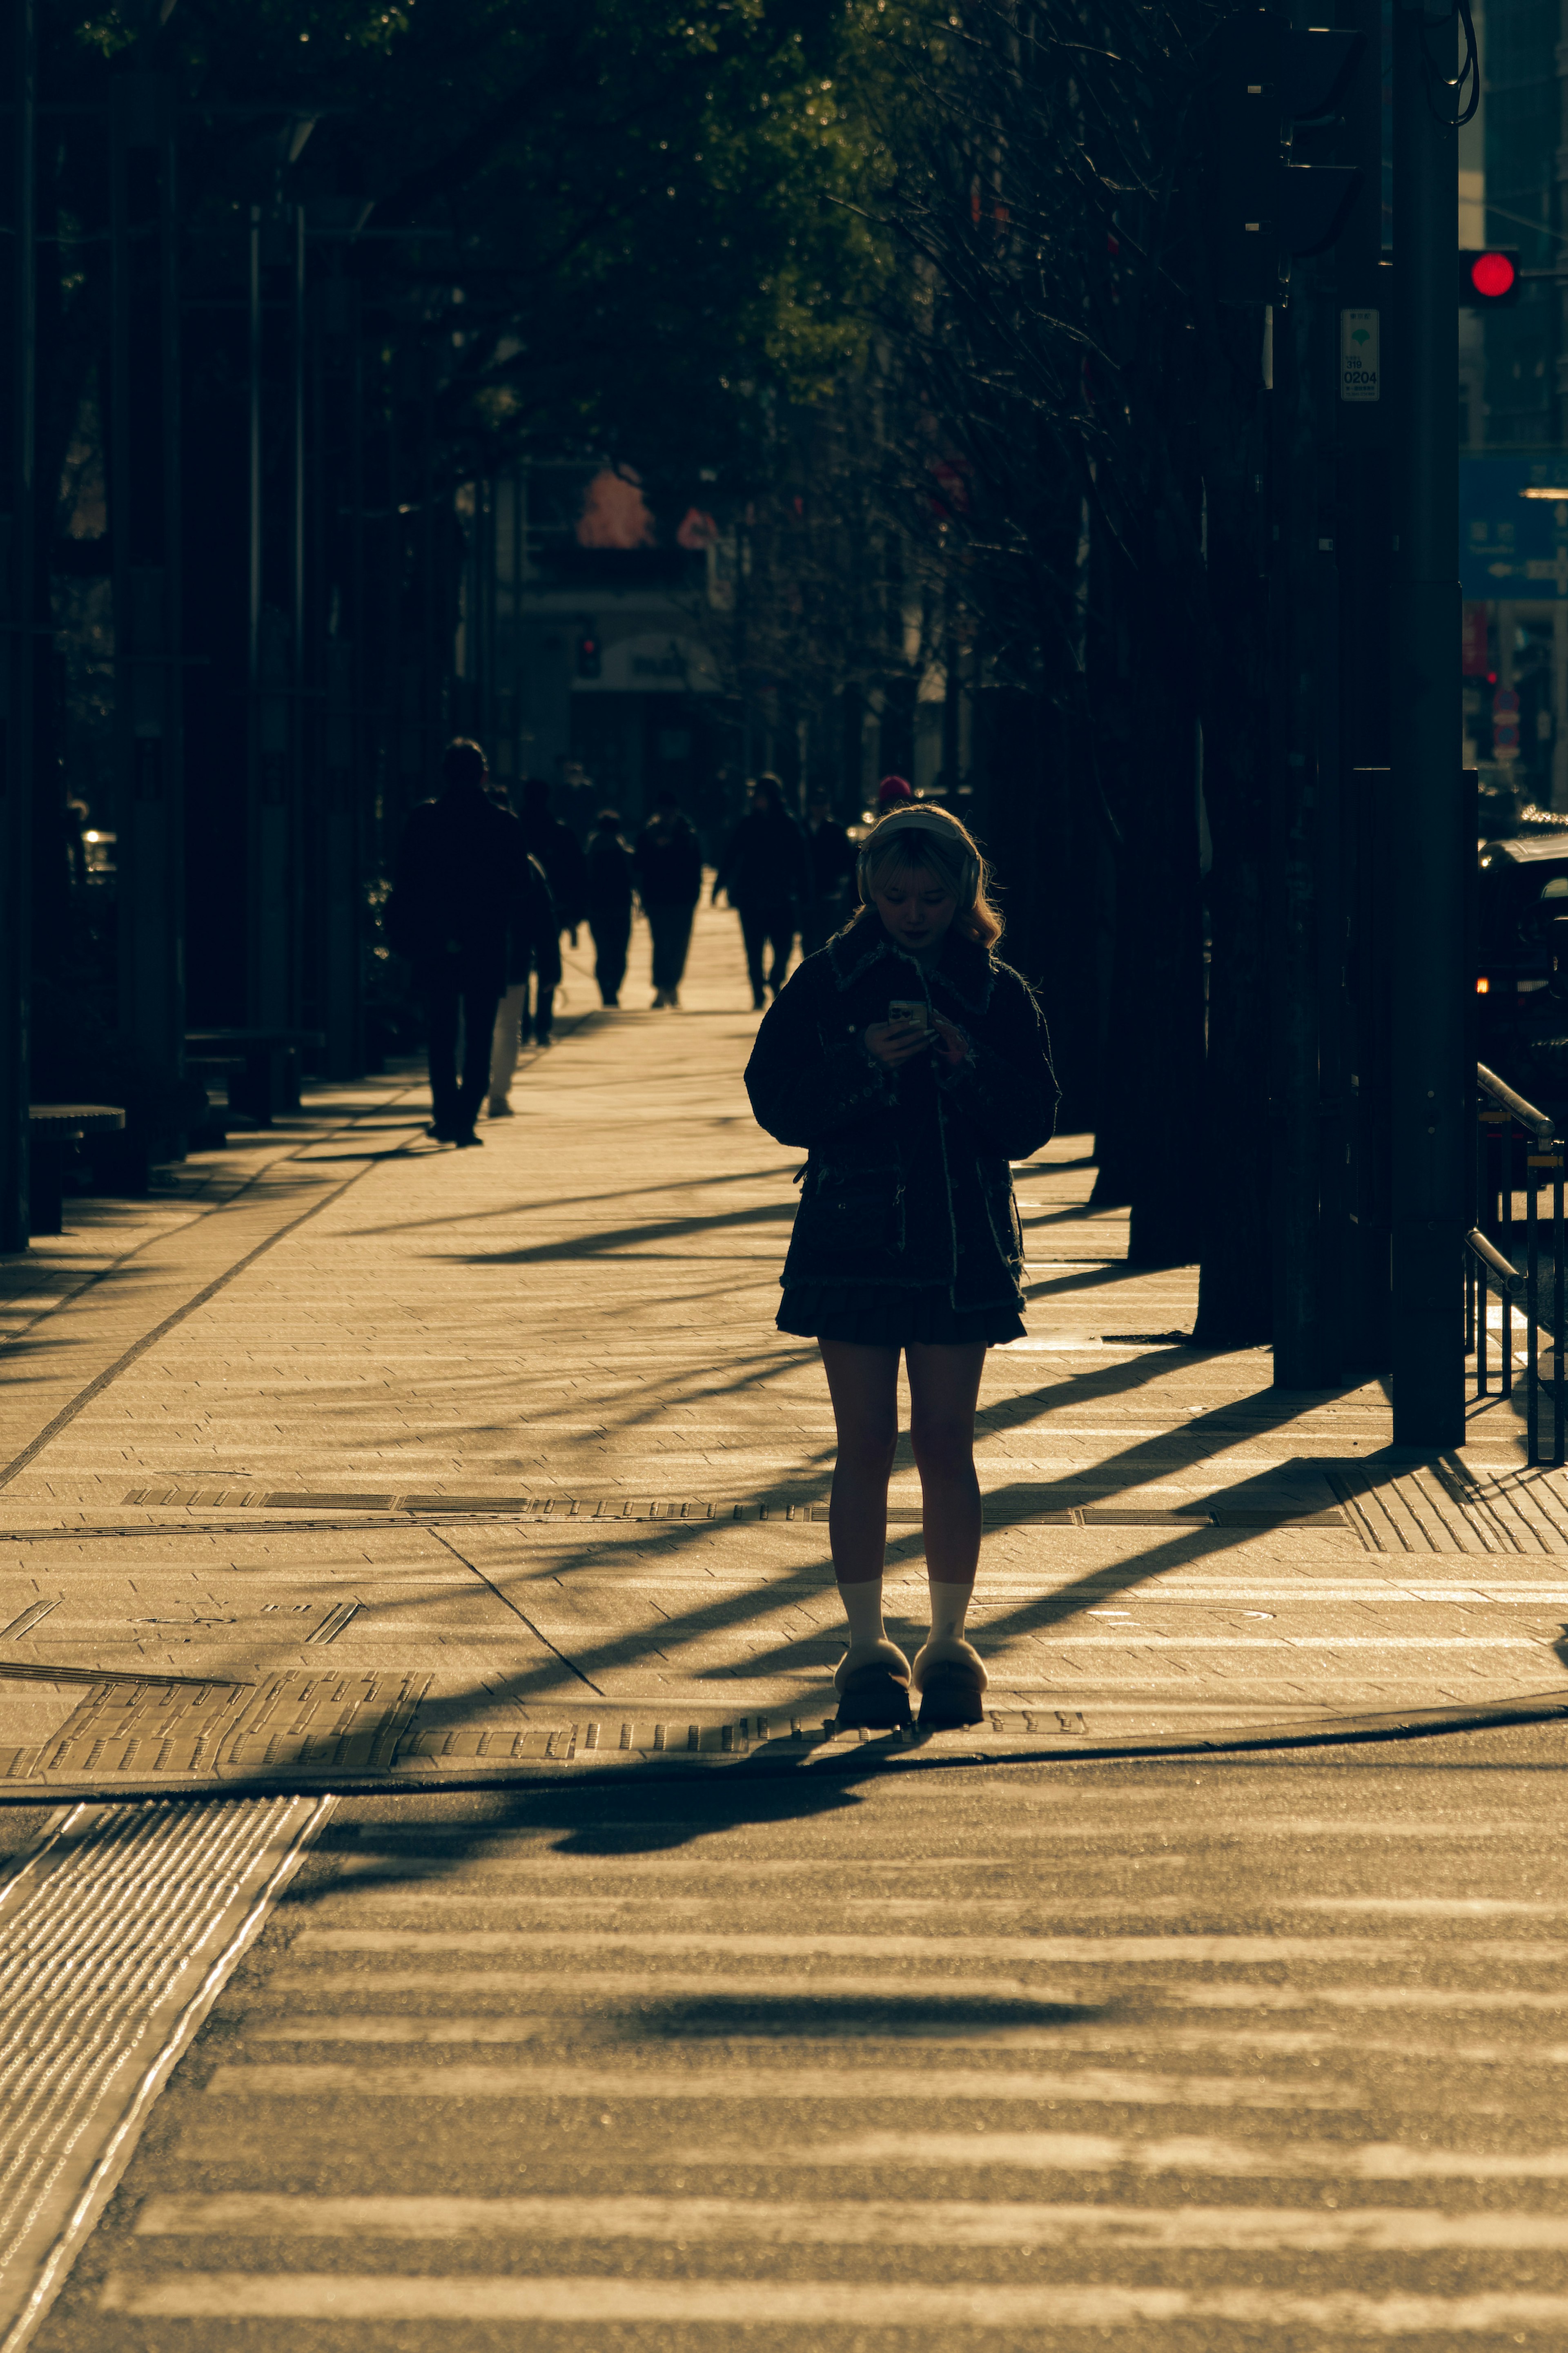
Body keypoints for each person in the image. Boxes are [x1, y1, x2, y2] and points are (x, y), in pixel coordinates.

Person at [744, 804, 1058, 1734]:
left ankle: (952, 1643)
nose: (911, 914)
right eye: (893, 896)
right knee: (865, 1443)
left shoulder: (994, 990)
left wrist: (963, 1060)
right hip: (855, 1244)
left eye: (928, 897)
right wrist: (860, 1063)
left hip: (959, 1248)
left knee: (948, 1443)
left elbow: (1033, 1119)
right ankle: (865, 1644)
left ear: (962, 894)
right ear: (868, 893)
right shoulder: (830, 980)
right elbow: (775, 1097)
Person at [388, 738, 534, 1147]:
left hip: (436, 939)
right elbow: (520, 885)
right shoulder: (504, 823)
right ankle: (467, 1117)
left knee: (441, 1031)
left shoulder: (424, 820)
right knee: (480, 1033)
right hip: (486, 940)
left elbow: (405, 879)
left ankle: (445, 1112)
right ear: (484, 775)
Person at [713, 773, 813, 1008]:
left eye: (761, 796)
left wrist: (806, 892)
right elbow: (731, 856)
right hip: (751, 898)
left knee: (784, 947)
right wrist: (719, 885)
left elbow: (802, 862)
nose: (757, 801)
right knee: (754, 949)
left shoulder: (789, 825)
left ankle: (775, 979)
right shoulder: (748, 824)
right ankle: (757, 991)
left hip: (781, 898)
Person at [517, 777, 589, 1046]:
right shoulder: (561, 832)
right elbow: (579, 874)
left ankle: (522, 1023)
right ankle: (544, 1026)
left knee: (520, 965)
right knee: (548, 962)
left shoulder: (515, 827)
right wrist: (577, 911)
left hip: (518, 908)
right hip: (553, 909)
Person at [486, 854, 560, 1118]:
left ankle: (471, 1087)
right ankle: (498, 1096)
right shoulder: (526, 865)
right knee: (507, 1027)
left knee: (468, 1025)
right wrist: (550, 963)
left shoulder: (460, 855)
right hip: (512, 957)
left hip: (469, 957)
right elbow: (545, 919)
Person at [633, 790, 703, 1008]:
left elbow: (696, 865)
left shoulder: (688, 834)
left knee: (679, 944)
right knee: (661, 944)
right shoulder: (648, 834)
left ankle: (672, 986)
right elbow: (639, 865)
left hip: (683, 897)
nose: (666, 816)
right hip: (657, 897)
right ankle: (663, 987)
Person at [585, 809, 636, 1007]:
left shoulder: (590, 854)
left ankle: (606, 992)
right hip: (621, 909)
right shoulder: (625, 854)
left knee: (602, 952)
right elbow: (635, 879)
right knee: (620, 953)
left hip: (596, 910)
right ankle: (614, 988)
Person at [800, 789, 858, 957]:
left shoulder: (836, 829)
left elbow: (846, 859)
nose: (820, 808)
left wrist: (841, 880)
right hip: (806, 892)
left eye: (823, 804)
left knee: (827, 933)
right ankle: (809, 964)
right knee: (808, 934)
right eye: (816, 804)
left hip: (829, 892)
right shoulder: (801, 828)